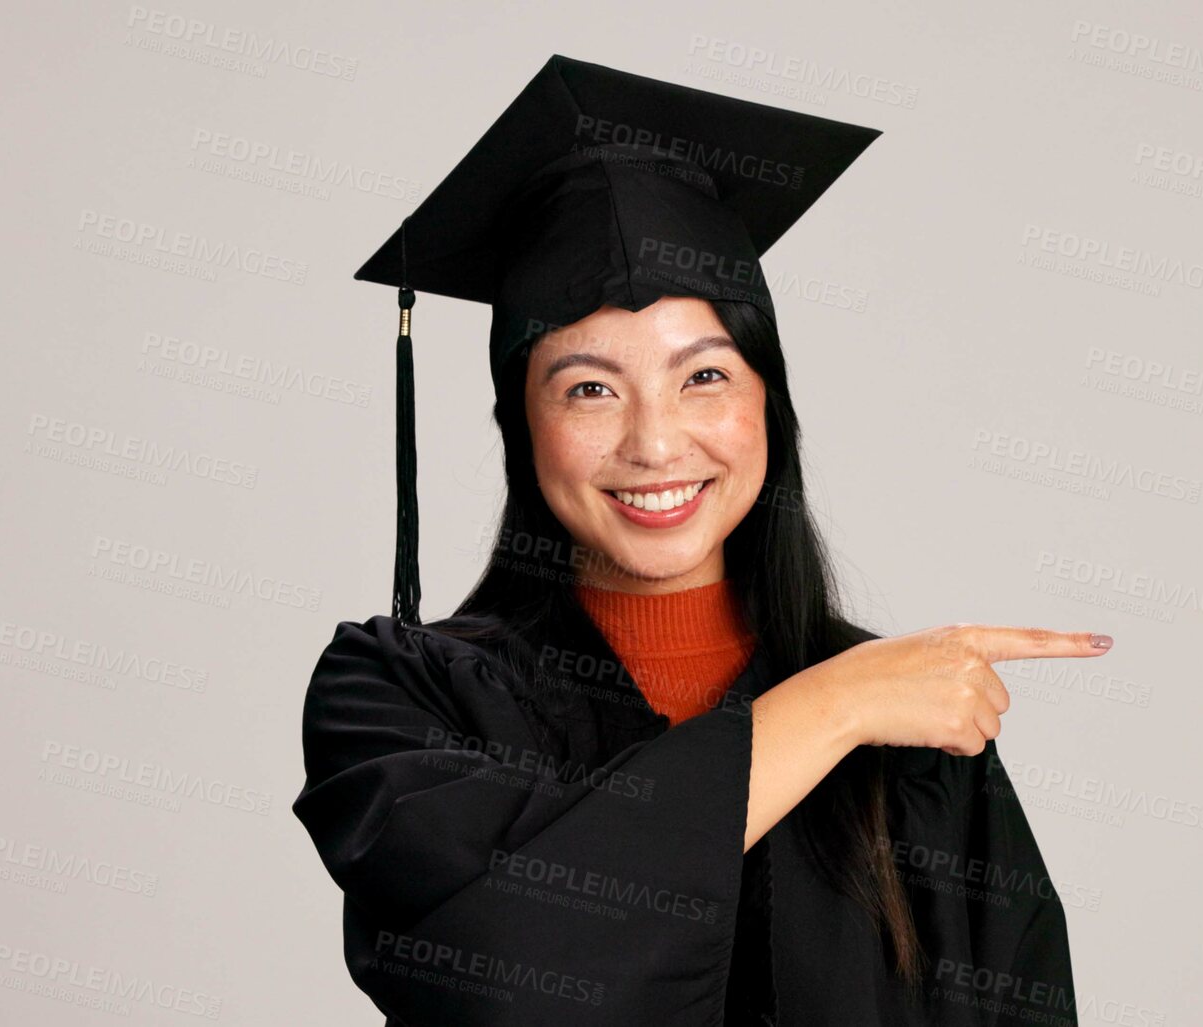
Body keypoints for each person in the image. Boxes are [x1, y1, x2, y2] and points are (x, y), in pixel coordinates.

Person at [292, 54, 1114, 1026]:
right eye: (589, 387)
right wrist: (833, 706)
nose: (653, 441)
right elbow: (505, 978)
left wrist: (863, 701)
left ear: (771, 401)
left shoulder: (917, 732)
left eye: (706, 377)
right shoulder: (399, 699)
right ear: (522, 425)